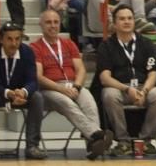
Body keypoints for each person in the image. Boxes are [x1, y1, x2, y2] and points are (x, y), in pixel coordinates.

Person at [32, 10, 112, 159]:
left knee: (89, 101)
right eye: (48, 22)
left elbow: (80, 69)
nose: (53, 26)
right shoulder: (35, 47)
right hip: (50, 89)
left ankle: (92, 146)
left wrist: (77, 86)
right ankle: (96, 134)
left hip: (72, 85)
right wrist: (61, 89)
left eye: (56, 22)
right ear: (41, 25)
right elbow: (38, 76)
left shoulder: (69, 44)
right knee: (66, 103)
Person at [96, 5, 156, 157]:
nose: (126, 22)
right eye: (122, 19)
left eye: (129, 18)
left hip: (143, 87)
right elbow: (104, 78)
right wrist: (127, 89)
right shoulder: (106, 46)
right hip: (119, 88)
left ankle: (146, 140)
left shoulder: (146, 44)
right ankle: (123, 141)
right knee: (109, 95)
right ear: (114, 23)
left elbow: (153, 73)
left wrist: (145, 91)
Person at [0, 22, 46, 161]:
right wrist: (8, 93)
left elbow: (33, 81)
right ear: (0, 39)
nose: (14, 43)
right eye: (9, 39)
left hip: (19, 96)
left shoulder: (27, 52)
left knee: (37, 97)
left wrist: (24, 92)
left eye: (17, 39)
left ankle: (32, 146)